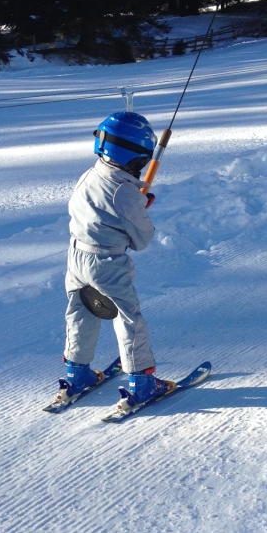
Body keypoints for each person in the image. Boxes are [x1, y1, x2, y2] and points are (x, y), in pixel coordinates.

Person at [50, 111, 174, 409]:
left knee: (80, 312)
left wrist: (134, 200)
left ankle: (77, 374)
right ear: (133, 157)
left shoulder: (91, 174)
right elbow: (142, 240)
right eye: (140, 160)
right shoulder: (126, 192)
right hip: (107, 263)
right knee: (127, 318)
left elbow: (103, 207)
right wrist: (139, 207)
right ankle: (141, 383)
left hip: (77, 257)